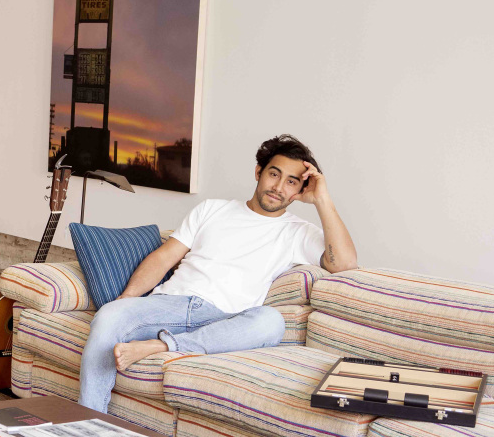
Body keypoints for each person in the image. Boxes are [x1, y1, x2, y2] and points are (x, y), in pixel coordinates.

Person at [77, 134, 358, 412]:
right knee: (108, 316)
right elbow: (164, 258)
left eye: (291, 182)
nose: (279, 187)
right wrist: (126, 299)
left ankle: (162, 347)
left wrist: (322, 199)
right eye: (275, 174)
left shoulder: (298, 232)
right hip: (170, 305)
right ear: (258, 172)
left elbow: (344, 265)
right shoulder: (212, 209)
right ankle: (88, 426)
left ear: (300, 189)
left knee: (270, 322)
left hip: (225, 321)